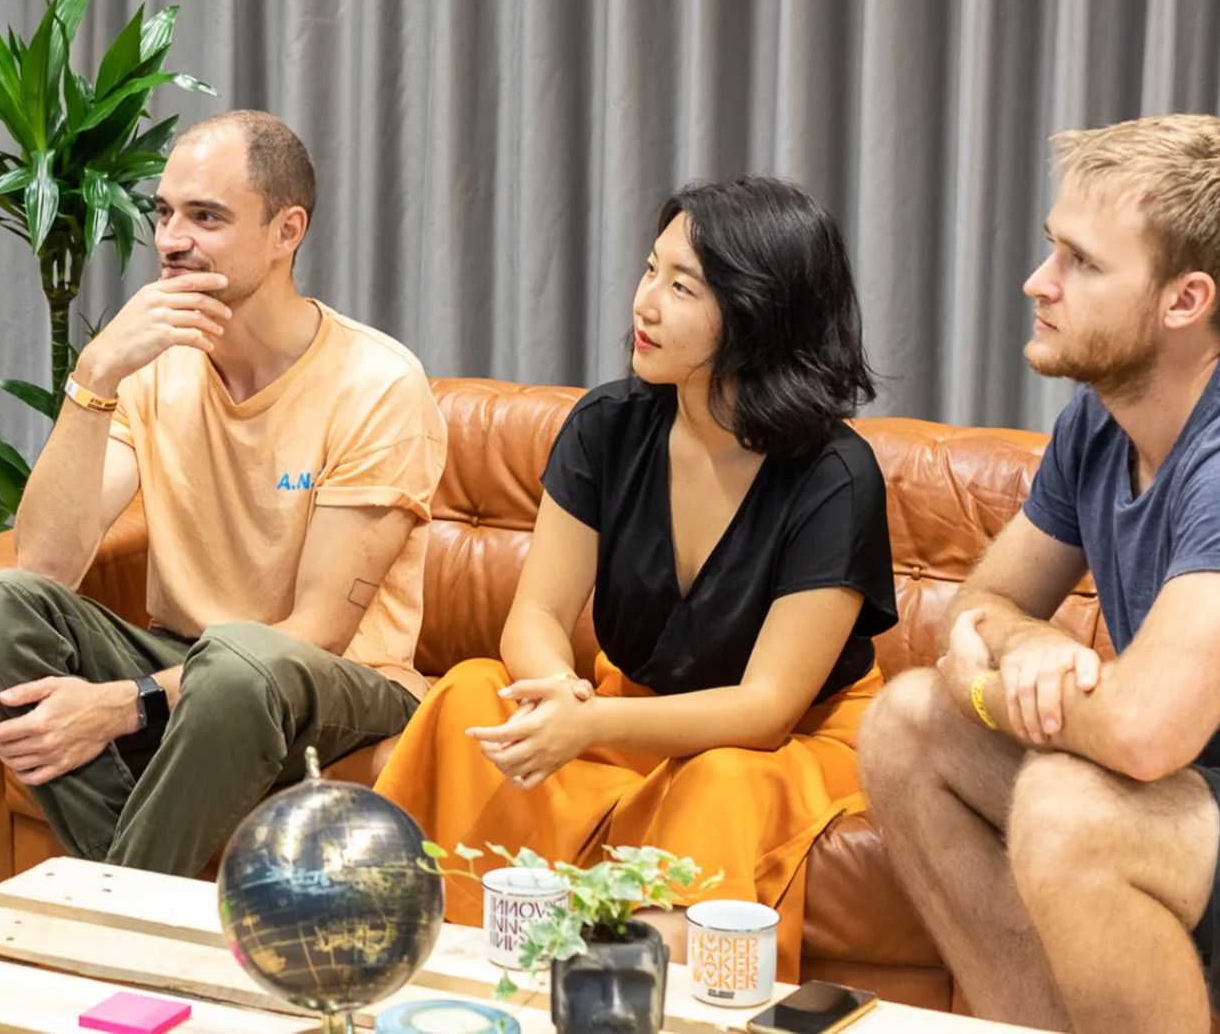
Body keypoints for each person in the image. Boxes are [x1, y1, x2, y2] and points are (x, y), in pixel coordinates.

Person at [373, 176, 893, 979]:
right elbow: (535, 616)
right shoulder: (609, 425)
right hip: (629, 712)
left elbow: (764, 710)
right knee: (471, 694)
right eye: (651, 271)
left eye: (681, 286)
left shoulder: (835, 476)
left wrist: (590, 728)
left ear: (756, 313)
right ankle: (455, 960)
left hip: (790, 741)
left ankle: (631, 983)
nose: (644, 303)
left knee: (721, 777)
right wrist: (560, 695)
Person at [0, 110, 447, 876]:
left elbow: (313, 635)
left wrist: (122, 705)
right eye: (165, 212)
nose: (172, 239)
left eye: (206, 217)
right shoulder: (154, 363)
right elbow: (44, 569)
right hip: (193, 665)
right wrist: (95, 377)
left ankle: (105, 917)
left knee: (240, 659)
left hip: (343, 686)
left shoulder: (376, 384)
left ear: (287, 231)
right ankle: (131, 889)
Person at [858, 113, 1220, 1033]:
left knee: (1070, 807)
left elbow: (1145, 734)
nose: (1039, 283)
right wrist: (1020, 645)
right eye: (1049, 250)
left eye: (1081, 262)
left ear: (1185, 301)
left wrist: (996, 676)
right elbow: (978, 610)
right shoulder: (1099, 424)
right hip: (1203, 802)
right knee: (906, 724)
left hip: (1190, 791)